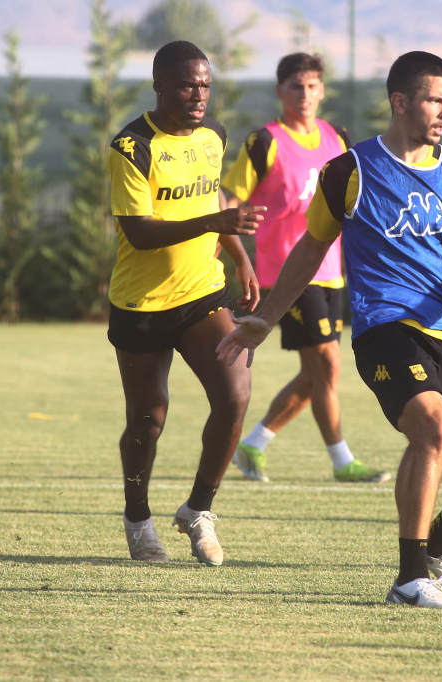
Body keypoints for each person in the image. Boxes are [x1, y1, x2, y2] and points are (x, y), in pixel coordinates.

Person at [216, 51, 442, 609]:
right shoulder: (350, 171)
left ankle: (438, 549)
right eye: (435, 100)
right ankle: (408, 580)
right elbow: (310, 248)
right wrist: (266, 318)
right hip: (384, 328)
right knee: (434, 428)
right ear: (400, 102)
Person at [107, 40, 264, 566]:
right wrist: (215, 223)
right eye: (186, 86)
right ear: (159, 86)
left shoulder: (213, 135)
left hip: (202, 292)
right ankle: (137, 518)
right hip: (142, 304)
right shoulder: (132, 147)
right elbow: (140, 232)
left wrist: (239, 256)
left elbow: (213, 196)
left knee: (235, 393)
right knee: (147, 421)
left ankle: (198, 510)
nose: (198, 95)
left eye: (204, 85)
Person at [221, 52, 389, 484]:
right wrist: (224, 248)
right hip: (288, 272)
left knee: (317, 372)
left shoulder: (337, 138)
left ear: (323, 91)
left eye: (313, 85)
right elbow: (229, 201)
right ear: (280, 91)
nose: (305, 94)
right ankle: (342, 461)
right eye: (296, 85)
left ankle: (253, 444)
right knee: (328, 365)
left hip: (332, 270)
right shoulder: (265, 142)